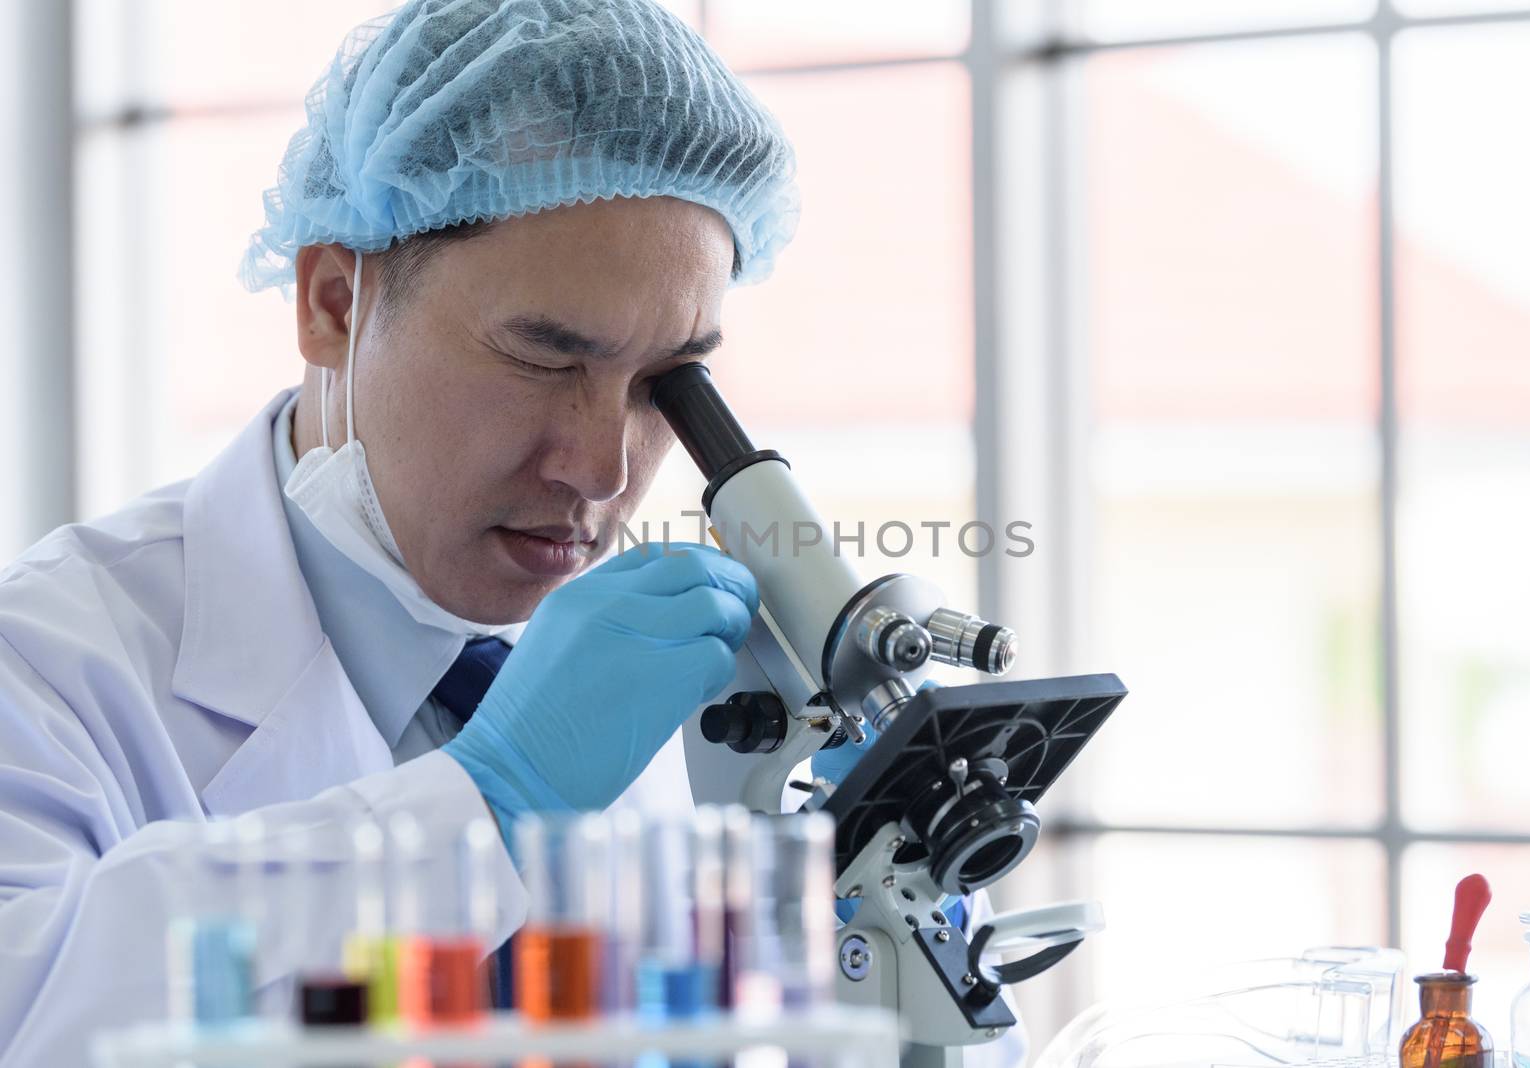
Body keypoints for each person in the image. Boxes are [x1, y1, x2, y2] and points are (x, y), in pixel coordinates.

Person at [0, 2, 1023, 1065]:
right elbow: (31, 1013)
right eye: (543, 358)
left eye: (663, 387)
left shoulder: (698, 681)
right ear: (334, 301)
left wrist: (873, 901)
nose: (601, 469)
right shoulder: (47, 666)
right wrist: (489, 796)